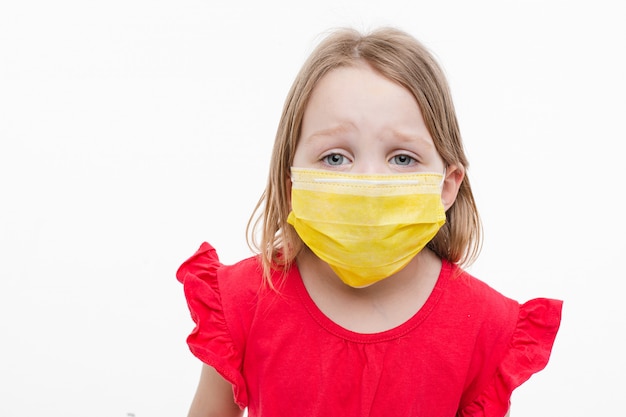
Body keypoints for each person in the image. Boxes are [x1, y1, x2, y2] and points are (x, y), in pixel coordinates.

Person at [176, 27, 562, 417]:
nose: (369, 184)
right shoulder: (244, 301)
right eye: (335, 157)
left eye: (402, 158)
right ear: (292, 179)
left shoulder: (484, 327)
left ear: (447, 185)